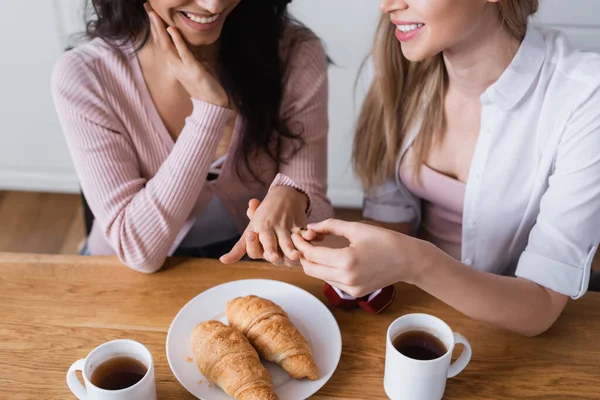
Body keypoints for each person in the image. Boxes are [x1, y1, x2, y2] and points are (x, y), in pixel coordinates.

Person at [287, 0, 600, 336]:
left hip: (512, 327)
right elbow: (391, 226)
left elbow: (541, 308)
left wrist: (416, 263)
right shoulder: (389, 69)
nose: (387, 5)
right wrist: (304, 243)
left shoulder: (584, 97)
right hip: (414, 310)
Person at [51, 0, 332, 273]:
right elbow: (139, 252)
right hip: (123, 276)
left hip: (250, 267)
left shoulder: (295, 51)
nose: (213, 6)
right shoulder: (86, 75)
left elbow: (317, 214)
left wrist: (295, 196)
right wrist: (208, 112)